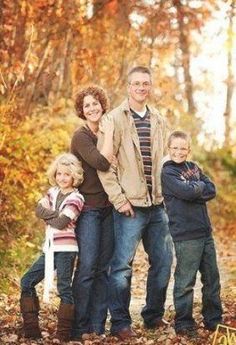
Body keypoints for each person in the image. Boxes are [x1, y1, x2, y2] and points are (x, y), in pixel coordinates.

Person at [97, 66, 173, 340]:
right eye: (136, 83)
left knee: (164, 262)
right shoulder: (114, 120)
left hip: (158, 206)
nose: (141, 87)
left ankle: (153, 316)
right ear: (128, 86)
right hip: (130, 207)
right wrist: (119, 201)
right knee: (121, 267)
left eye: (146, 84)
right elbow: (104, 167)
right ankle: (120, 323)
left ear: (150, 87)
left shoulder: (160, 121)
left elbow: (168, 163)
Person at [161, 130, 223, 338]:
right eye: (175, 148)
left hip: (205, 232)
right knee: (186, 281)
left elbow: (211, 189)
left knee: (212, 278)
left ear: (189, 149)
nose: (179, 152)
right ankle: (184, 323)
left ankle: (213, 319)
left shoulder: (194, 167)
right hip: (186, 234)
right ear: (169, 149)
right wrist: (197, 189)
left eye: (183, 148)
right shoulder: (168, 171)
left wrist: (193, 189)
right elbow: (186, 192)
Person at [20, 153, 84, 341]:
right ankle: (32, 331)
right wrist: (55, 213)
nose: (62, 178)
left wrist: (51, 214)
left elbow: (61, 222)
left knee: (64, 289)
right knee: (27, 281)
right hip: (49, 248)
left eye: (66, 174)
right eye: (59, 174)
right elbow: (38, 209)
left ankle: (63, 334)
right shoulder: (52, 192)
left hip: (66, 249)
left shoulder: (77, 198)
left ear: (74, 176)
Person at [71, 86, 114, 340]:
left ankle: (97, 326)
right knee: (87, 268)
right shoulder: (81, 136)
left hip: (110, 209)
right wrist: (108, 148)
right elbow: (101, 163)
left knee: (103, 269)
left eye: (95, 103)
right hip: (88, 209)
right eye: (87, 105)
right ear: (82, 110)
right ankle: (79, 325)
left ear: (102, 105)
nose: (92, 108)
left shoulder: (107, 131)